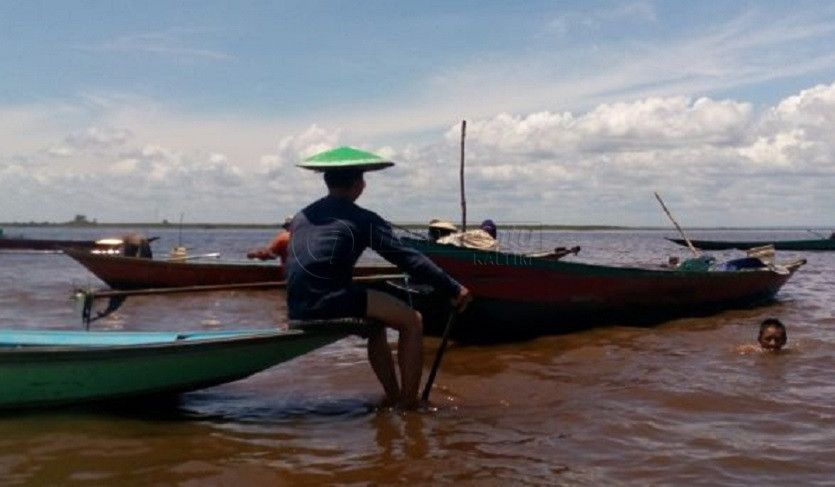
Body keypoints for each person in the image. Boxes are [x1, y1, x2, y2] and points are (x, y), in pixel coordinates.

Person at [287, 147, 472, 410]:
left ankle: (393, 396)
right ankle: (409, 403)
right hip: (328, 299)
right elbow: (407, 258)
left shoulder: (301, 216)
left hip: (296, 304)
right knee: (413, 321)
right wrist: (453, 288)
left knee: (377, 325)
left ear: (327, 182)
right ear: (359, 184)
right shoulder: (362, 218)